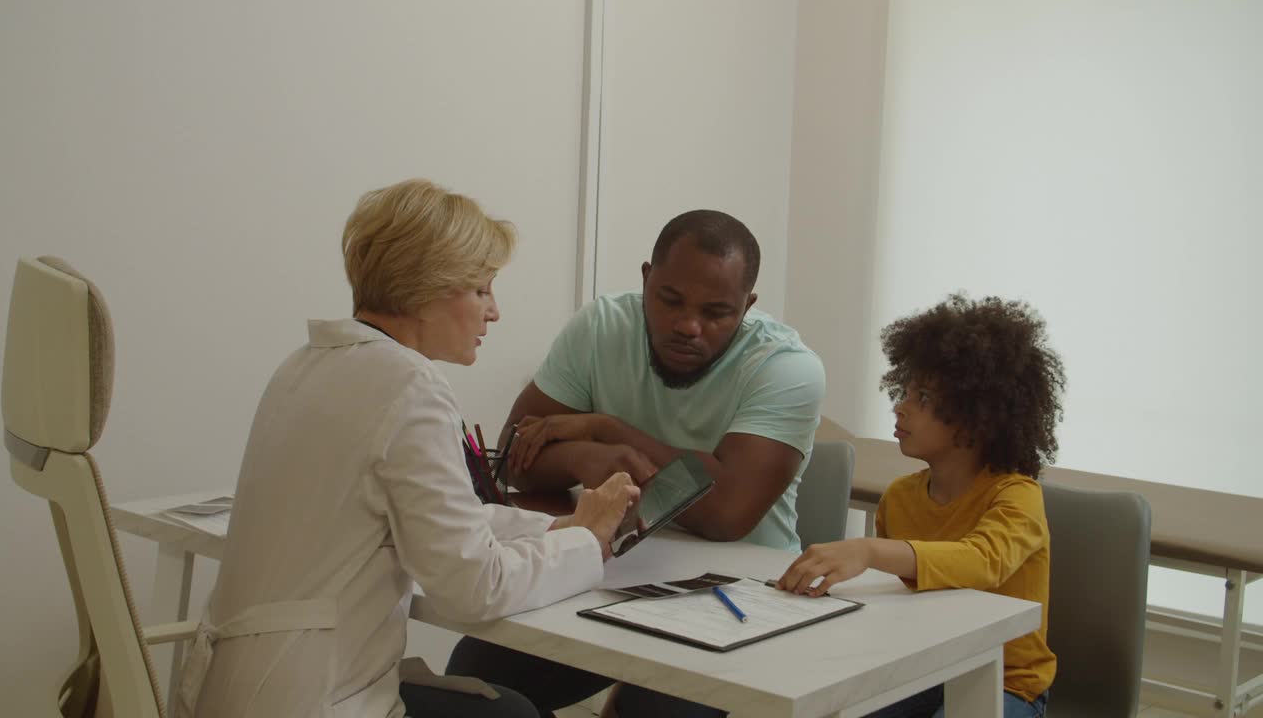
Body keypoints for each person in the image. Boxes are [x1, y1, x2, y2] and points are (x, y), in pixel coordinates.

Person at [175, 178, 639, 718]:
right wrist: (584, 541)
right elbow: (474, 588)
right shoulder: (407, 386)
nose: (494, 312)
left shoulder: (306, 365)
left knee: (503, 705)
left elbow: (439, 519)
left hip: (250, 687)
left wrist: (556, 528)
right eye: (482, 289)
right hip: (308, 700)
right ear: (429, 289)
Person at [448, 209, 826, 718]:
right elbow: (517, 460)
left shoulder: (787, 368)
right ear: (646, 278)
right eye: (669, 300)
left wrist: (607, 428)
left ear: (748, 305)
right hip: (606, 571)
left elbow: (726, 514)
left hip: (731, 594)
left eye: (717, 312)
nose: (688, 326)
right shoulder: (602, 326)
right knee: (475, 684)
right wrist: (595, 457)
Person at [774, 293, 1064, 718]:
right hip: (922, 672)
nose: (900, 407)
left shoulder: (1017, 494)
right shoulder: (900, 497)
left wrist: (867, 550)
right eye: (904, 392)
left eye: (923, 398)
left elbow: (984, 560)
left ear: (977, 416)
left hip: (1005, 682)